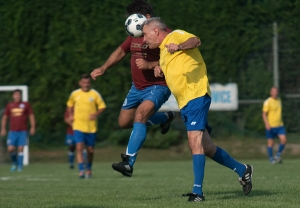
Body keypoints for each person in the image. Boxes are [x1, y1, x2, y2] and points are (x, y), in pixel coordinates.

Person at [142, 17, 253, 202]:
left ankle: (198, 193)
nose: (144, 39)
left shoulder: (175, 36)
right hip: (185, 102)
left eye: (145, 34)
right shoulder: (163, 51)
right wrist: (159, 69)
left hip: (196, 94)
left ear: (155, 31)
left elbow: (195, 41)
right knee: (206, 147)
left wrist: (179, 46)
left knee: (194, 142)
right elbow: (175, 65)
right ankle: (243, 170)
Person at [90, 0, 175, 177]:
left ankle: (129, 162)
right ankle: (165, 117)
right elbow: (121, 51)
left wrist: (152, 65)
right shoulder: (135, 33)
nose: (131, 23)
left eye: (133, 18)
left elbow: (176, 59)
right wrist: (103, 68)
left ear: (147, 18)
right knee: (124, 123)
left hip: (158, 86)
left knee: (140, 115)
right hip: (136, 88)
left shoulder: (166, 35)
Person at [67, 74, 106, 178]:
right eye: (84, 82)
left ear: (90, 83)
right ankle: (81, 171)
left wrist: (96, 114)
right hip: (78, 125)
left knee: (90, 150)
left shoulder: (94, 94)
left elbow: (102, 106)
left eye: (88, 82)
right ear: (80, 83)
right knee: (79, 147)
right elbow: (70, 104)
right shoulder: (75, 94)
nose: (86, 84)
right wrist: (71, 115)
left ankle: (88, 169)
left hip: (91, 127)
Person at [1, 89, 35, 172]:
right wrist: (3, 128)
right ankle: (14, 162)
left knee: (20, 148)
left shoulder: (25, 105)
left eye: (19, 94)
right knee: (10, 149)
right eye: (16, 94)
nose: (17, 96)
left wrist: (33, 127)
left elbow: (31, 116)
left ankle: (20, 166)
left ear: (21, 95)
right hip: (12, 131)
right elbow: (5, 117)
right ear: (13, 96)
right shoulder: (10, 105)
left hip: (22, 131)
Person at [262, 86, 287, 164]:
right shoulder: (268, 101)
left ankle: (278, 155)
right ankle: (271, 159)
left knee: (284, 140)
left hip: (280, 125)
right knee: (271, 143)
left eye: (276, 91)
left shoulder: (279, 100)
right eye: (274, 91)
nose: (275, 93)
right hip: (271, 125)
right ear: (271, 92)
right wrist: (267, 124)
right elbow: (264, 114)